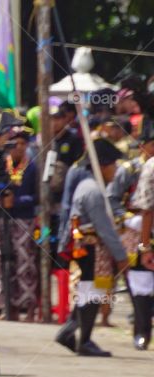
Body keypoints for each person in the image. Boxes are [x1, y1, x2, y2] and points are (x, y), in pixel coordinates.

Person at [55, 138, 128, 356]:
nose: (116, 170)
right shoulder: (94, 192)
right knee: (92, 293)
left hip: (87, 248)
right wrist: (121, 256)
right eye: (114, 165)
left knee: (90, 293)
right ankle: (80, 337)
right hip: (91, 249)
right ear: (103, 166)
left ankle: (73, 333)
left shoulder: (89, 187)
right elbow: (105, 229)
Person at [0, 127, 40, 321]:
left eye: (24, 144)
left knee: (25, 263)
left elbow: (38, 197)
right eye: (16, 144)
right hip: (2, 218)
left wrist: (16, 201)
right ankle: (6, 307)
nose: (20, 148)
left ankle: (29, 308)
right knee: (0, 261)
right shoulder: (1, 164)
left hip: (24, 220)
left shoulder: (31, 167)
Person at [125, 127, 154, 350]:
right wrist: (144, 244)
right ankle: (142, 331)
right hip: (139, 231)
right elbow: (146, 209)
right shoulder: (132, 169)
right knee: (141, 285)